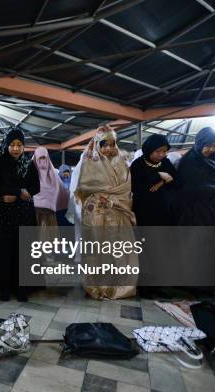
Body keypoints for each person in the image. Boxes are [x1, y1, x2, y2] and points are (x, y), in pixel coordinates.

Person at [72, 126, 137, 300]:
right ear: (97, 145)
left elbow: (126, 189)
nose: (108, 149)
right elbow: (83, 189)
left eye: (111, 144)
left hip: (119, 212)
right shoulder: (89, 163)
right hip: (97, 215)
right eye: (104, 144)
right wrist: (103, 198)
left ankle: (118, 288)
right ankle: (97, 287)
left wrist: (113, 199)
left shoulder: (122, 162)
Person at [0, 128, 40, 301]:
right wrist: (15, 191)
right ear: (7, 145)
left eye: (19, 145)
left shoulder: (29, 164)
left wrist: (25, 192)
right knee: (4, 251)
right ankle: (4, 288)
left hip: (24, 214)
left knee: (23, 251)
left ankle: (22, 288)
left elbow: (36, 187)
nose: (15, 148)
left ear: (23, 146)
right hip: (3, 214)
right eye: (12, 145)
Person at [177, 127, 215, 226]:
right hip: (197, 211)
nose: (212, 149)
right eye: (208, 146)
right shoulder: (189, 161)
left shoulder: (214, 160)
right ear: (200, 143)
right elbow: (188, 188)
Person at [130, 134, 179, 226]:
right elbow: (136, 187)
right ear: (149, 149)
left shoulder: (165, 162)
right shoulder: (138, 165)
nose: (161, 155)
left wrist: (161, 182)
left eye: (164, 151)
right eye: (157, 151)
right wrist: (159, 175)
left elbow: (175, 180)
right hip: (146, 212)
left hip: (166, 211)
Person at [32, 147, 68, 227]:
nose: (42, 160)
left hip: (50, 214)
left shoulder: (54, 174)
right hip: (33, 213)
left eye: (44, 157)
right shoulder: (30, 174)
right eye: (40, 158)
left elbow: (63, 194)